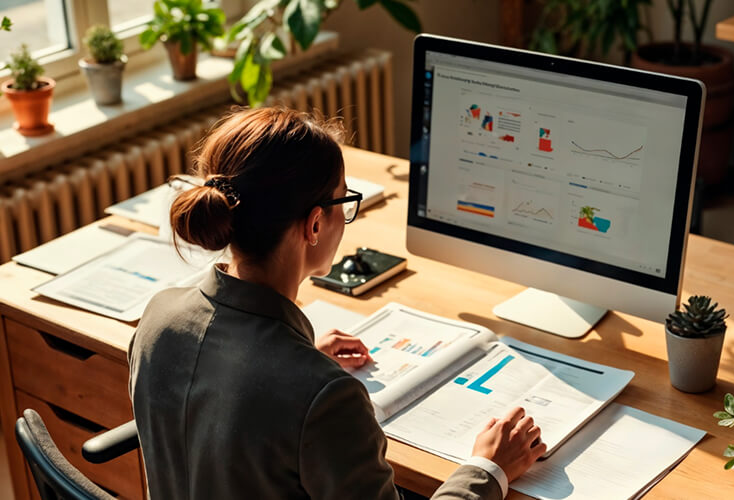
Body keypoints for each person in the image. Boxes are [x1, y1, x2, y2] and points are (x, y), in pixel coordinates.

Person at [128, 107, 546, 499]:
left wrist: (299, 359)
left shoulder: (159, 317)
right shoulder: (325, 396)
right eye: (344, 203)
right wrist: (489, 469)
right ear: (313, 224)